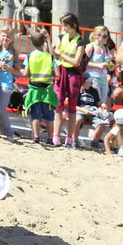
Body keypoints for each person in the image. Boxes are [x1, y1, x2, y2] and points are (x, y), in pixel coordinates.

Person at [52, 12, 85, 148]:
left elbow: (76, 62)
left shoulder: (80, 41)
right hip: (62, 73)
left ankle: (69, 138)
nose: (64, 28)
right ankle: (56, 136)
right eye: (63, 25)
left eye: (66, 25)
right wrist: (57, 53)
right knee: (58, 105)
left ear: (73, 25)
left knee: (72, 107)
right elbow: (55, 52)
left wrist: (61, 53)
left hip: (73, 74)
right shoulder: (61, 37)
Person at [24, 30, 57, 144]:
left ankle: (36, 137)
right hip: (47, 89)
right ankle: (49, 138)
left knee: (35, 114)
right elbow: (57, 73)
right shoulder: (49, 57)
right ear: (43, 42)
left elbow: (25, 73)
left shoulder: (30, 56)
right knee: (49, 115)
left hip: (34, 88)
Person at [0, 28, 20, 140]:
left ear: (12, 39)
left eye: (8, 37)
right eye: (3, 36)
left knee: (1, 108)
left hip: (6, 83)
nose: (5, 39)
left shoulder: (13, 53)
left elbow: (17, 71)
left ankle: (8, 132)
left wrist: (7, 67)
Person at [84, 25, 115, 104]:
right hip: (93, 79)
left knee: (102, 104)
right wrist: (98, 65)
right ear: (97, 36)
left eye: (107, 36)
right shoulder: (90, 47)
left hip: (103, 80)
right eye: (104, 36)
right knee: (95, 103)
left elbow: (108, 62)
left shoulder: (106, 49)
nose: (107, 38)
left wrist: (111, 66)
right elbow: (83, 63)